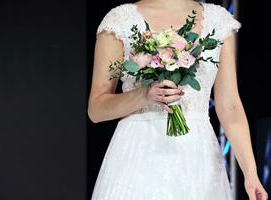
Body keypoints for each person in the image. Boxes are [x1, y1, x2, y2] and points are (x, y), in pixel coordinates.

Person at [88, 0, 268, 199]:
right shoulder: (120, 20)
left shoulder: (218, 21)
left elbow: (230, 106)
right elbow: (96, 109)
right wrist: (144, 95)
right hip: (138, 153)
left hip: (197, 158)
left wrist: (251, 173)